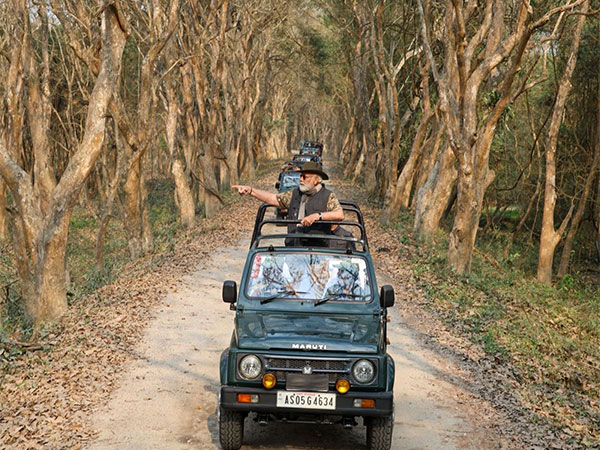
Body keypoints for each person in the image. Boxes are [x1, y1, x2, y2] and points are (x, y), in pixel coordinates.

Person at [232, 161, 344, 245]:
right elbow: (273, 199)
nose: (300, 179)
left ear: (316, 180)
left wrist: (318, 216)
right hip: (292, 249)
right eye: (300, 176)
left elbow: (339, 214)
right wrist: (251, 191)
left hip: (318, 252)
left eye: (304, 177)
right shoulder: (294, 194)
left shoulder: (328, 196)